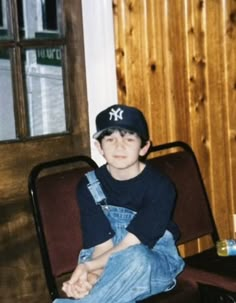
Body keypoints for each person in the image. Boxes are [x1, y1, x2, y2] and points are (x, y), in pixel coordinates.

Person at [53, 104, 185, 303]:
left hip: (154, 261)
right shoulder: (89, 186)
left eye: (129, 138)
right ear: (99, 147)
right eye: (110, 139)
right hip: (106, 261)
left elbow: (131, 246)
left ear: (144, 147)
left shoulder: (161, 187)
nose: (119, 146)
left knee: (138, 257)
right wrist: (91, 278)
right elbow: (101, 246)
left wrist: (89, 268)